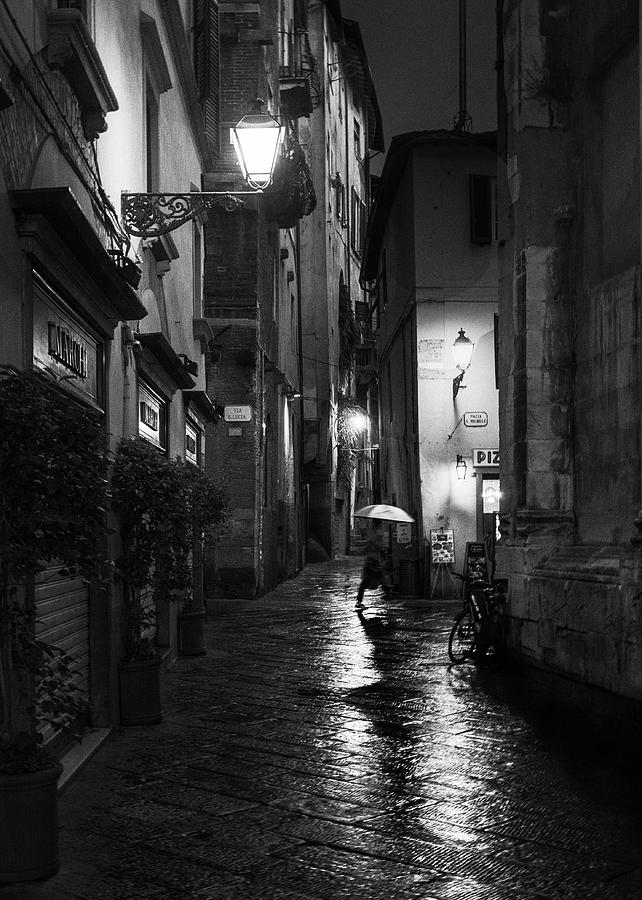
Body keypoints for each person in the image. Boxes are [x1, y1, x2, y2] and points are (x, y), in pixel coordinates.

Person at [355, 521, 392, 607]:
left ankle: (359, 601)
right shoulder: (377, 534)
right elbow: (377, 545)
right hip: (374, 561)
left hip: (371, 561)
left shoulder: (373, 533)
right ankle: (389, 595)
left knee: (377, 580)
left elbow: (369, 546)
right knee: (380, 579)